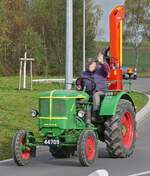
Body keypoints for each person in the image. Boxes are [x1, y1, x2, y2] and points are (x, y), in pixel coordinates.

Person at [79, 50, 110, 117]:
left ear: (95, 64)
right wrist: (78, 85)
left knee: (96, 95)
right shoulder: (83, 74)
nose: (90, 65)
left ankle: (96, 114)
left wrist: (102, 62)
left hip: (101, 92)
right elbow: (79, 82)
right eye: (88, 64)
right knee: (81, 99)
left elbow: (107, 69)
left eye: (91, 64)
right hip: (88, 93)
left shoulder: (101, 70)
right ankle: (80, 115)